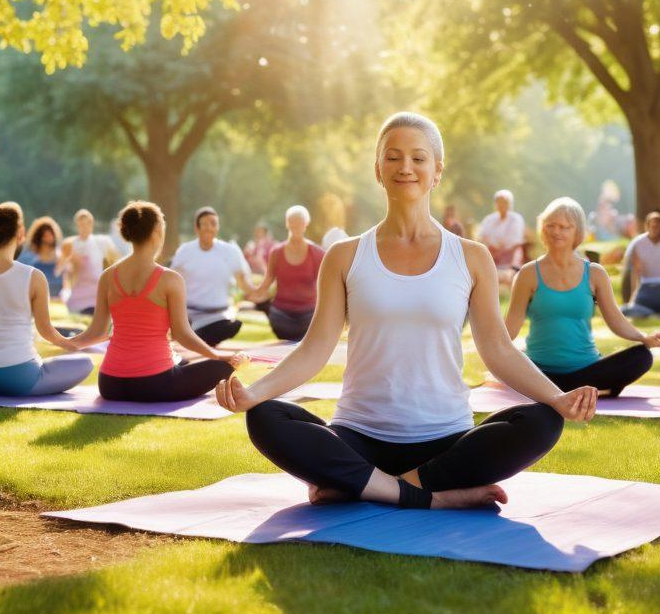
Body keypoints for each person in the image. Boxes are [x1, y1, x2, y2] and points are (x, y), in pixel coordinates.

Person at [216, 113, 596, 512]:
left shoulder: (471, 257)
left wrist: (558, 398)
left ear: (437, 171)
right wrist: (254, 394)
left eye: (418, 158)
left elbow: (498, 350)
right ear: (378, 170)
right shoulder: (344, 256)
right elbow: (315, 349)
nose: (406, 167)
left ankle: (364, 487)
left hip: (445, 439)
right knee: (265, 418)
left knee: (543, 421)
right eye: (393, 157)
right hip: (359, 437)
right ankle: (429, 497)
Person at [66, 202, 247, 401]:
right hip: (156, 384)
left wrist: (64, 341)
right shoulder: (170, 279)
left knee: (182, 362)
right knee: (223, 367)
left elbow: (97, 333)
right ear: (157, 232)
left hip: (111, 383)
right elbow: (182, 334)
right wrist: (219, 356)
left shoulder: (108, 277)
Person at [505, 197, 660, 396]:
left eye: (565, 227)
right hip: (540, 373)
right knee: (512, 362)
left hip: (587, 370)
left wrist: (643, 338)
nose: (556, 231)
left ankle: (579, 389)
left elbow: (615, 319)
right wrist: (492, 346)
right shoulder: (528, 274)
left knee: (642, 357)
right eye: (551, 225)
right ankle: (590, 390)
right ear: (543, 228)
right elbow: (510, 327)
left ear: (577, 232)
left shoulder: (595, 273)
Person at [0, 203, 94, 396]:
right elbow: (45, 330)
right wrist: (73, 344)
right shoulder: (33, 276)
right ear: (21, 234)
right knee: (85, 363)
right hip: (17, 374)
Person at [171, 207, 257, 346]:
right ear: (197, 228)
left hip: (219, 316)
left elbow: (243, 282)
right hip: (190, 315)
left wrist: (259, 291)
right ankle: (195, 337)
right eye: (204, 224)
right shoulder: (185, 251)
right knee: (192, 340)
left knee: (232, 326)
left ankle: (199, 339)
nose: (208, 228)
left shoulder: (230, 251)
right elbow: (173, 281)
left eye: (213, 223)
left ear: (217, 227)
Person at [249, 205, 325, 341]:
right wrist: (252, 292)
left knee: (304, 335)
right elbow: (268, 280)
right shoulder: (276, 252)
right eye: (292, 222)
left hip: (308, 315)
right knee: (284, 330)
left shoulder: (317, 253)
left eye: (299, 223)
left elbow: (325, 285)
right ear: (287, 223)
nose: (295, 226)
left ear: (306, 224)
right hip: (281, 314)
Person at [62, 209, 119, 315]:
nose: (84, 227)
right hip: (78, 294)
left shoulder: (102, 242)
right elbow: (67, 274)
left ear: (92, 224)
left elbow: (115, 261)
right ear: (77, 226)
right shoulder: (71, 244)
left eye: (87, 223)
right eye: (81, 224)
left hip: (96, 294)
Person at [477, 190, 526, 275]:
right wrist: (491, 248)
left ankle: (513, 271)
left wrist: (500, 251)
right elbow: (482, 236)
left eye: (504, 202)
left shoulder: (516, 219)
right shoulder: (489, 219)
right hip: (491, 252)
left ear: (510, 204)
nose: (501, 204)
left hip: (510, 253)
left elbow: (515, 242)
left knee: (517, 253)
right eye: (499, 202)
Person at [19, 217, 65, 298]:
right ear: (38, 240)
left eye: (51, 236)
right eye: (44, 239)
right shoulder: (27, 261)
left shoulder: (63, 260)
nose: (47, 247)